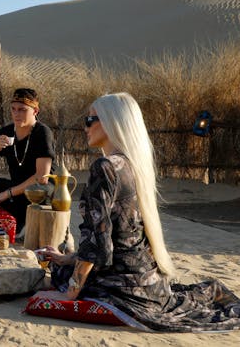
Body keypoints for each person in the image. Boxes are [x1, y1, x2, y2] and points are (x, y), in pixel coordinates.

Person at [33, 92, 240, 332]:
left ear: (112, 123)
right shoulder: (133, 165)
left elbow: (99, 246)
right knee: (63, 264)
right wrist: (67, 257)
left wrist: (70, 294)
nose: (85, 126)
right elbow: (114, 237)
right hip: (148, 280)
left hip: (121, 285)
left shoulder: (105, 167)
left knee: (58, 274)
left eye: (91, 120)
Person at [0, 88, 56, 233]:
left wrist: (6, 194)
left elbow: (42, 177)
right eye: (13, 109)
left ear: (35, 111)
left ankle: (21, 219)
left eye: (22, 110)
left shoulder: (42, 133)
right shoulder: (6, 132)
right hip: (17, 188)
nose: (17, 114)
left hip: (39, 189)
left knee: (38, 191)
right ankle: (18, 218)